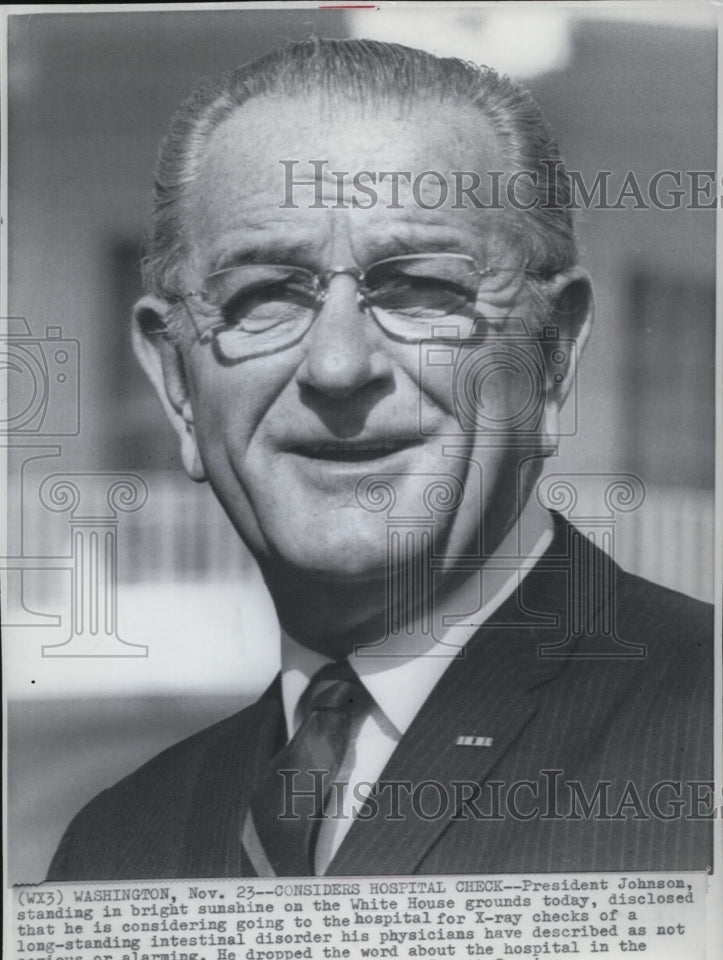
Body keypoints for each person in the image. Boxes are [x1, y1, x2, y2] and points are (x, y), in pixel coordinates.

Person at [48, 37, 712, 880]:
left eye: (422, 288)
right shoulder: (113, 848)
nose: (335, 367)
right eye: (264, 296)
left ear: (552, 356)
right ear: (177, 381)